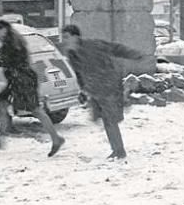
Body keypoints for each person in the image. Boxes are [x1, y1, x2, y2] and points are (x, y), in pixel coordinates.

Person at [60, 24, 144, 160]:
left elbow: (114, 48)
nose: (63, 41)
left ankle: (119, 151)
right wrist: (82, 90)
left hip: (109, 84)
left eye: (66, 37)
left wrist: (134, 54)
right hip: (95, 88)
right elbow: (78, 73)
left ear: (75, 37)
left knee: (109, 119)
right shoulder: (71, 55)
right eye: (63, 37)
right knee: (103, 119)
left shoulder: (93, 45)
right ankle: (117, 148)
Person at [0, 19, 65, 156]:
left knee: (36, 110)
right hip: (19, 79)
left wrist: (13, 76)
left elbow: (16, 64)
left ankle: (56, 139)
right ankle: (1, 138)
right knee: (2, 103)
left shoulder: (12, 45)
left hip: (22, 81)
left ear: (4, 29)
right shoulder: (13, 43)